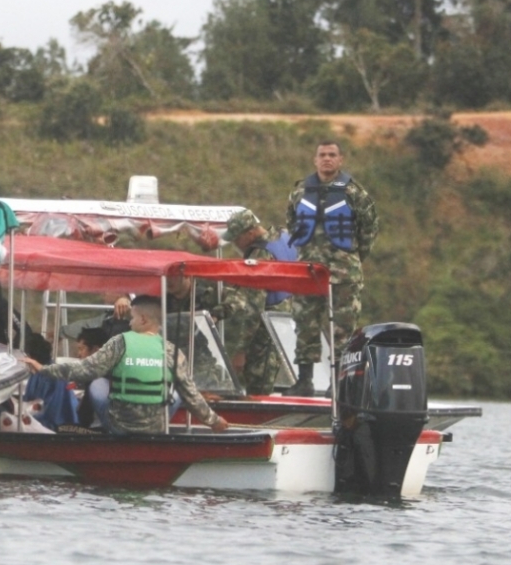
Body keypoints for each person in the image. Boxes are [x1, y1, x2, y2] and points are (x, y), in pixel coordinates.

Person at [23, 295, 229, 435]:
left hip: (119, 426)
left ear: (144, 319)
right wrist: (214, 421)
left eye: (132, 318)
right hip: (156, 427)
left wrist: (44, 369)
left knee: (96, 383)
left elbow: (83, 370)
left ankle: (99, 429)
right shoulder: (173, 352)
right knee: (176, 390)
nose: (129, 323)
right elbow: (191, 395)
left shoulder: (120, 343)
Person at [285, 141, 379, 396]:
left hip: (343, 272)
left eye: (332, 155)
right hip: (307, 272)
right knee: (304, 324)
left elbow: (369, 229)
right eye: (322, 155)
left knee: (342, 329)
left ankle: (338, 383)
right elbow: (292, 224)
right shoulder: (300, 191)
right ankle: (304, 381)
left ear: (341, 160)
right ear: (315, 160)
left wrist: (354, 259)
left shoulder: (354, 193)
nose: (327, 159)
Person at [218, 209, 292, 395]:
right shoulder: (282, 235)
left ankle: (261, 420)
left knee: (258, 385)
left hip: (266, 331)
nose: (235, 244)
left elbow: (254, 309)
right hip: (287, 322)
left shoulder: (260, 255)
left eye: (237, 238)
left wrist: (241, 351)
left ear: (250, 233)